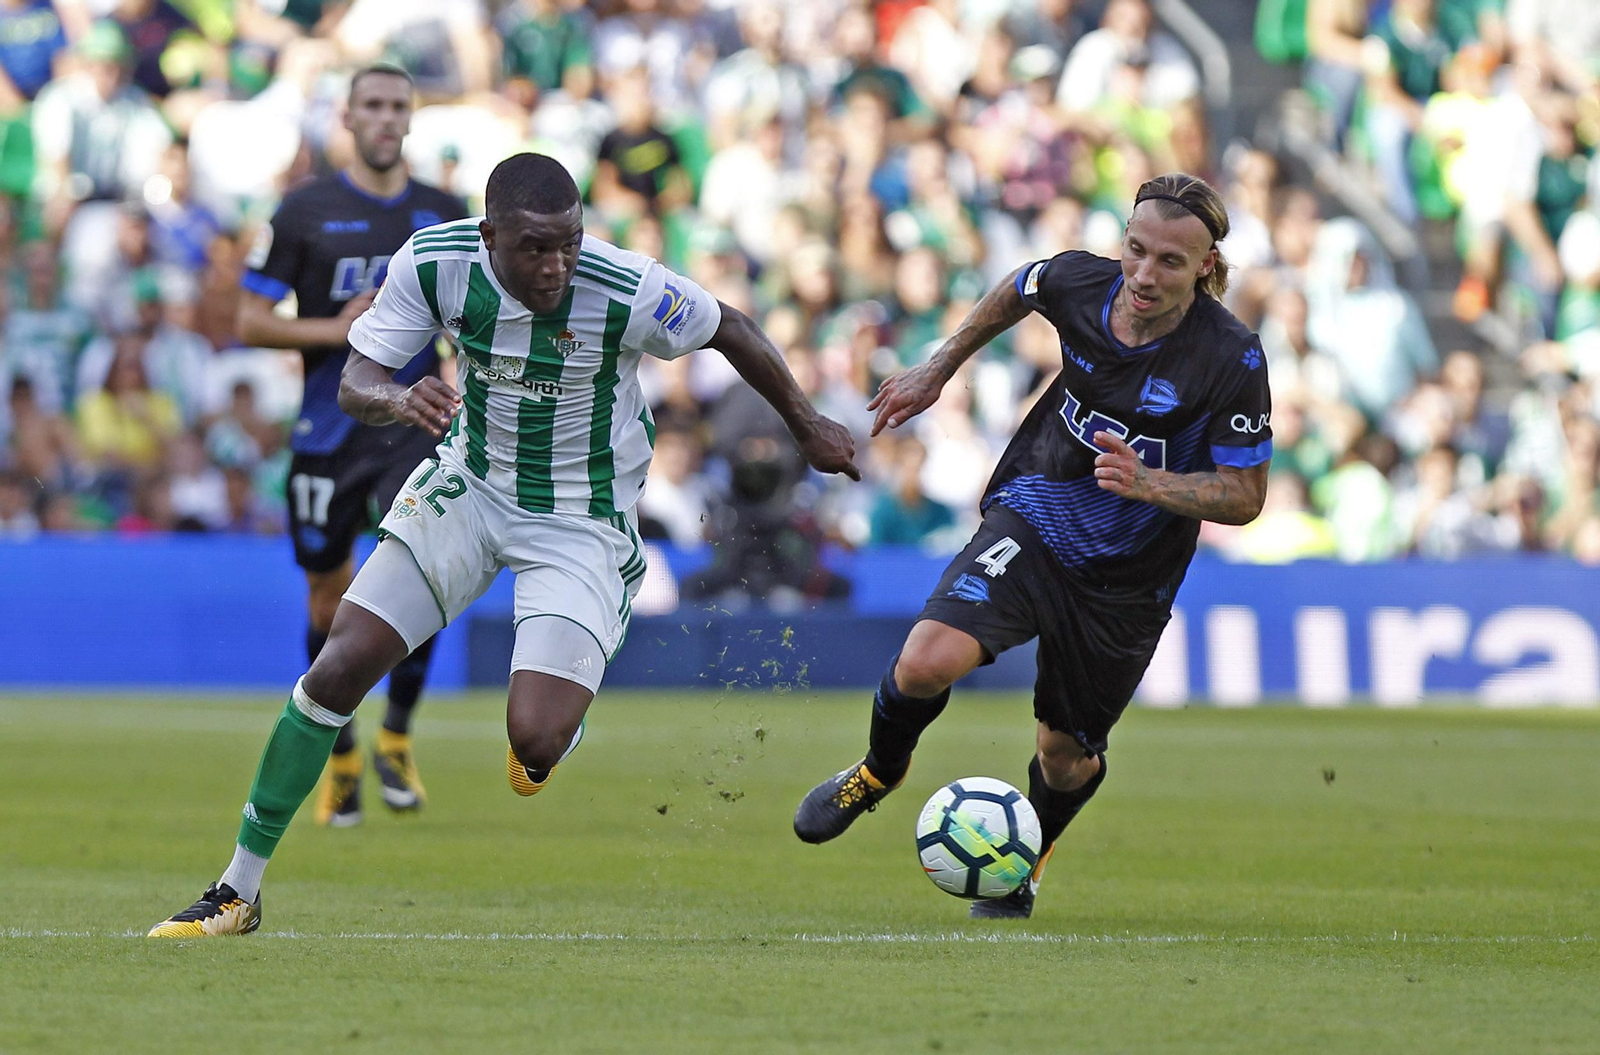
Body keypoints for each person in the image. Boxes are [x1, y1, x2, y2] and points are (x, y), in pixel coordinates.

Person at [147, 151, 858, 937]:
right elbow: (357, 376)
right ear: (490, 236)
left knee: (536, 742)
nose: (555, 266)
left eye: (569, 243)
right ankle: (237, 889)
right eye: (534, 248)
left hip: (580, 517)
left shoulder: (625, 286)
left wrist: (808, 423)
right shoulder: (436, 262)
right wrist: (393, 395)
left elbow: (732, 327)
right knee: (337, 666)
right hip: (472, 486)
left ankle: (574, 677)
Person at [792, 173, 1273, 920]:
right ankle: (878, 771)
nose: (1144, 275)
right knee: (924, 659)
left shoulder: (1230, 358)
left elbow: (1245, 496)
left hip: (1127, 575)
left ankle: (1026, 859)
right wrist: (938, 366)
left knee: (1065, 755)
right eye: (1136, 250)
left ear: (1206, 266)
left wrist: (1152, 484)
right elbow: (1020, 287)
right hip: (1039, 511)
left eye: (1169, 263)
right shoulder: (1082, 281)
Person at [234, 63, 467, 827]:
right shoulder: (304, 209)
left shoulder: (445, 211)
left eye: (399, 105)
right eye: (372, 104)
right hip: (327, 428)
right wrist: (336, 331)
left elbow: (477, 315)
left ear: (413, 116)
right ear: (347, 114)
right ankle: (338, 749)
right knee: (328, 594)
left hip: (415, 419)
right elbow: (250, 320)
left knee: (420, 580)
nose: (386, 118)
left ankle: (396, 736)